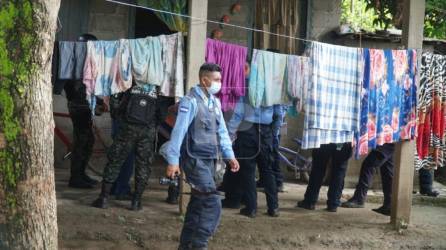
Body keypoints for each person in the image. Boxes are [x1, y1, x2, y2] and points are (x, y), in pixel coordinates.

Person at [161, 63, 240, 250]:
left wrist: (230, 156)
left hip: (210, 160)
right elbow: (178, 133)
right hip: (193, 159)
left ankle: (186, 246)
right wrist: (173, 161)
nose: (220, 83)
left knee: (198, 203)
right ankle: (199, 245)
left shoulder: (215, 102)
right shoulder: (190, 102)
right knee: (212, 202)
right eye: (217, 80)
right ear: (204, 80)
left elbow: (222, 132)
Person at [92, 84, 161, 210]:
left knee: (115, 160)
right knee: (143, 165)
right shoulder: (158, 84)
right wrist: (152, 124)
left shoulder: (126, 79)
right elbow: (162, 111)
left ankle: (104, 198)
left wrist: (121, 119)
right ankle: (136, 201)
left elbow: (115, 105)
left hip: (127, 128)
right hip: (147, 130)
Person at [222, 86, 283, 218]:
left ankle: (251, 209)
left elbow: (238, 113)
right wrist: (274, 133)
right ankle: (274, 208)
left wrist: (229, 134)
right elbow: (278, 114)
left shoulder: (248, 85)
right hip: (266, 131)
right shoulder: (272, 86)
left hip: (247, 130)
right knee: (267, 170)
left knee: (248, 171)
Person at [65, 34, 99, 189]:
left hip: (82, 106)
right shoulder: (77, 64)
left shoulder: (83, 63)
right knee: (82, 142)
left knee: (87, 141)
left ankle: (81, 174)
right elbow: (78, 88)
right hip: (79, 106)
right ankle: (76, 177)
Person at [341, 144, 395, 216]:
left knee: (369, 164)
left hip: (389, 140)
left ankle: (359, 199)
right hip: (392, 140)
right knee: (387, 170)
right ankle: (389, 205)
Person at [297, 143, 352, 212]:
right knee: (339, 168)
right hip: (343, 137)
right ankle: (333, 203)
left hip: (324, 137)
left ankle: (309, 201)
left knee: (318, 166)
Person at [109, 91, 135, 200]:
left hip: (118, 113)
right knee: (128, 155)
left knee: (117, 154)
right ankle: (122, 189)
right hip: (127, 117)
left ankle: (113, 186)